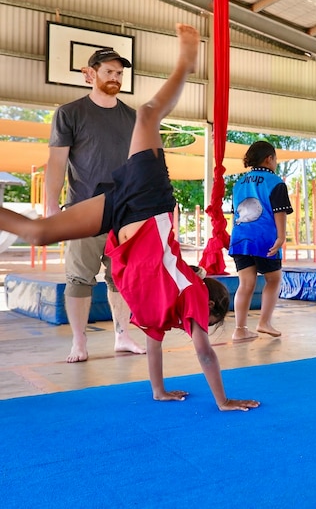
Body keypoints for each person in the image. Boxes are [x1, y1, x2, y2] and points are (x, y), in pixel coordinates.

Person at [0, 24, 259, 411]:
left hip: (117, 212)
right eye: (111, 71)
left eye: (121, 72)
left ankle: (186, 63)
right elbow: (205, 355)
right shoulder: (190, 294)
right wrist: (223, 401)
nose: (199, 331)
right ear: (203, 309)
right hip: (147, 203)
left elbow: (155, 352)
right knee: (149, 114)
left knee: (37, 234)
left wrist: (159, 390)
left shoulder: (159, 314)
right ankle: (186, 62)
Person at [46, 44, 146, 362]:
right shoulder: (70, 113)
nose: (115, 77)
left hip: (125, 213)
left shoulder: (133, 117)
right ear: (90, 74)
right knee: (79, 278)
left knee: (121, 276)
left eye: (119, 73)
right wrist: (51, 208)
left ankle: (122, 335)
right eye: (109, 72)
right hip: (83, 211)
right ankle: (79, 342)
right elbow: (57, 163)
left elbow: (142, 165)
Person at [228, 141, 293, 341]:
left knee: (245, 283)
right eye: (275, 159)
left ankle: (239, 329)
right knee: (273, 279)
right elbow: (279, 212)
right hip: (264, 239)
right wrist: (281, 237)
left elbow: (235, 213)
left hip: (240, 239)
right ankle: (264, 322)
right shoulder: (275, 182)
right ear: (269, 159)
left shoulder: (239, 183)